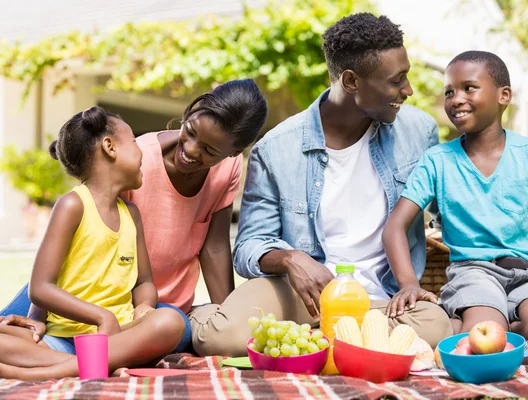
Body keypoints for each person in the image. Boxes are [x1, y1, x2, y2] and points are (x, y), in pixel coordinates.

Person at [188, 13, 453, 357]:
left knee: (436, 325)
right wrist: (290, 259)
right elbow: (249, 245)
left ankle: (309, 344)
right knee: (219, 339)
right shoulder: (276, 149)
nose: (408, 90)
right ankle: (208, 315)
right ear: (351, 81)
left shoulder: (419, 131)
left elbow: (446, 211)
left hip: (382, 301)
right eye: (396, 80)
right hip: (301, 297)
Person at [0, 79, 269, 353]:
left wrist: (227, 321)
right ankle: (60, 357)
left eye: (210, 151)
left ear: (233, 153)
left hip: (148, 308)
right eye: (190, 131)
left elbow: (215, 247)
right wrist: (37, 316)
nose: (190, 149)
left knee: (177, 327)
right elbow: (68, 260)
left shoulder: (228, 169)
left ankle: (65, 358)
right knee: (14, 329)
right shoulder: (135, 164)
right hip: (85, 294)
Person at [382, 50, 528, 341]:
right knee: (485, 327)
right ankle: (482, 327)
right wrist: (408, 284)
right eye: (449, 92)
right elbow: (395, 226)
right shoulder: (437, 160)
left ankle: (487, 331)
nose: (456, 99)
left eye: (469, 88)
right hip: (472, 273)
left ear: (503, 95)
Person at [0, 107, 185, 380]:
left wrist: (144, 306)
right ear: (110, 147)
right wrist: (100, 316)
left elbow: (144, 282)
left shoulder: (131, 214)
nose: (141, 151)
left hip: (117, 337)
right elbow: (40, 287)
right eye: (134, 141)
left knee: (171, 322)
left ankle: (55, 369)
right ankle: (87, 365)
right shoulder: (72, 205)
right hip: (63, 338)